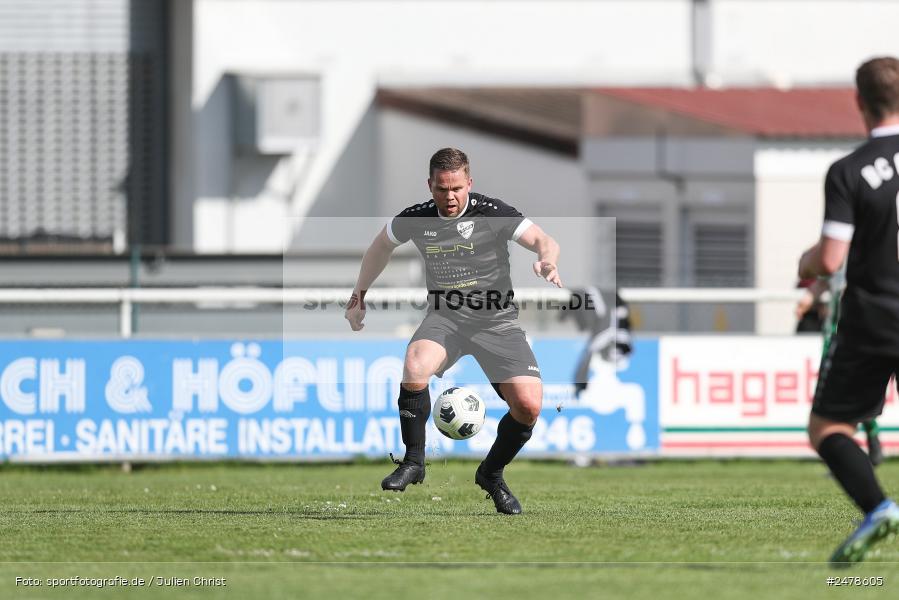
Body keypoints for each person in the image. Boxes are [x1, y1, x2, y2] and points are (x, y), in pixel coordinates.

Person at [345, 148, 561, 515]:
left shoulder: (492, 213)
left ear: (469, 183)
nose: (449, 197)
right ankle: (414, 462)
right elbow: (380, 247)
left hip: (496, 321)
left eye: (457, 188)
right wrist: (359, 294)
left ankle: (491, 474)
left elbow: (544, 239)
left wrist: (547, 260)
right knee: (415, 364)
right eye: (442, 189)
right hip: (446, 318)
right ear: (430, 185)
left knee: (528, 406)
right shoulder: (416, 218)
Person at [798, 56, 899, 565]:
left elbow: (830, 259)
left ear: (859, 102)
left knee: (829, 428)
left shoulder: (850, 170)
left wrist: (806, 262)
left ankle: (879, 508)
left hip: (874, 317)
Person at [796, 274, 884, 466]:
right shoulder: (838, 267)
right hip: (835, 336)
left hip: (859, 335)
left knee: (856, 390)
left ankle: (869, 435)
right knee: (836, 394)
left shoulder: (867, 264)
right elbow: (822, 282)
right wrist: (807, 300)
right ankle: (845, 452)